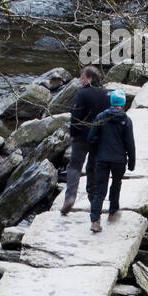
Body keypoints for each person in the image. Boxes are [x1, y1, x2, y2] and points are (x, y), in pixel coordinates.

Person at [60, 65, 109, 215]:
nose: (80, 81)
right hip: (99, 137)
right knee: (93, 169)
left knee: (74, 166)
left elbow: (76, 116)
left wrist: (73, 134)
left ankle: (70, 197)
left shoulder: (83, 94)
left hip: (82, 136)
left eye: (82, 78)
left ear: (89, 78)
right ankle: (94, 202)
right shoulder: (107, 94)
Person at [86, 88, 136, 232]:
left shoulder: (101, 117)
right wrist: (132, 163)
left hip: (102, 159)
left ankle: (95, 220)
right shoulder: (126, 120)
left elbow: (91, 138)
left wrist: (96, 152)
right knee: (116, 183)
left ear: (111, 102)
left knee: (100, 190)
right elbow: (130, 144)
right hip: (119, 160)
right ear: (123, 104)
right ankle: (113, 210)